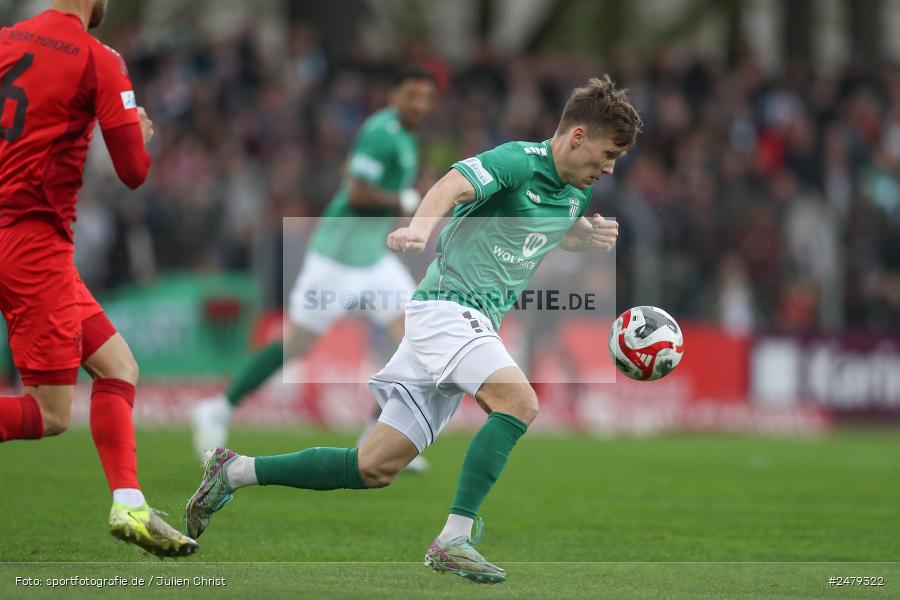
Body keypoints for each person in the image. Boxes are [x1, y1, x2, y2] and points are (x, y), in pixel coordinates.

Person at [185, 75, 641, 583]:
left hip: (463, 323)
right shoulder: (518, 160)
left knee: (373, 467)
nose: (609, 168)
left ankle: (234, 470)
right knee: (519, 402)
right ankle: (454, 538)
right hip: (448, 309)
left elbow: (549, 229)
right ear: (577, 136)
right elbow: (450, 185)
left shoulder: (575, 195)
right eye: (608, 154)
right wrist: (421, 228)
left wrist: (586, 237)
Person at [0, 0, 197, 557]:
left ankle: (129, 503)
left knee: (117, 366)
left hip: (18, 237)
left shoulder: (7, 39)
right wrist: (139, 132)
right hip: (34, 243)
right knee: (50, 412)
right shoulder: (99, 58)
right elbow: (133, 171)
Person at [190, 68, 436, 473]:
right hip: (336, 260)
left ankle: (375, 438)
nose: (420, 105)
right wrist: (407, 199)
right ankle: (217, 407)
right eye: (412, 95)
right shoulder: (382, 132)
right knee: (297, 346)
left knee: (418, 339)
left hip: (373, 258)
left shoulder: (406, 137)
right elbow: (358, 192)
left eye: (426, 97)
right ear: (394, 95)